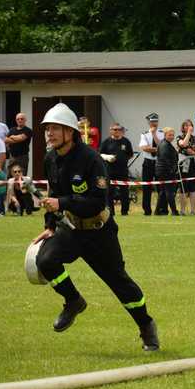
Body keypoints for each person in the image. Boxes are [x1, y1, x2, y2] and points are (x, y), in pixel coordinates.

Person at [32, 103, 158, 351]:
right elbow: (54, 193)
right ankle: (73, 301)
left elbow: (96, 201)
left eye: (56, 128)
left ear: (70, 132)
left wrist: (62, 202)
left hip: (99, 231)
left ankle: (146, 325)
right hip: (70, 228)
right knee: (45, 261)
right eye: (48, 129)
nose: (50, 134)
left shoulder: (92, 159)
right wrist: (50, 225)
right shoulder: (50, 158)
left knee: (120, 284)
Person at [99, 123, 134, 216]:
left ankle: (125, 212)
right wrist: (108, 157)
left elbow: (130, 154)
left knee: (125, 192)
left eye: (118, 129)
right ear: (111, 130)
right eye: (114, 129)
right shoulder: (106, 142)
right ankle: (111, 212)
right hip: (110, 171)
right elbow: (100, 154)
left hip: (123, 171)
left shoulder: (126, 141)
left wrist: (123, 160)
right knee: (109, 192)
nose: (117, 131)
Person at [139, 113, 167, 216]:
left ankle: (161, 210)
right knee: (147, 187)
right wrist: (157, 149)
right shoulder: (144, 134)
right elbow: (144, 148)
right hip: (148, 162)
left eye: (155, 121)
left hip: (159, 163)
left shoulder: (162, 133)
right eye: (152, 121)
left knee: (161, 187)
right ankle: (147, 210)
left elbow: (162, 146)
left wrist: (154, 135)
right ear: (149, 122)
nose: (154, 123)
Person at [176, 120, 195, 216]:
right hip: (183, 165)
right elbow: (183, 144)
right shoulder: (179, 137)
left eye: (190, 125)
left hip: (193, 165)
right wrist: (188, 134)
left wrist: (193, 153)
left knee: (193, 189)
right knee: (183, 189)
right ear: (183, 128)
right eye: (186, 125)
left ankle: (192, 211)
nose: (189, 127)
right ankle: (182, 210)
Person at [155, 127, 180, 216]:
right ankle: (174, 211)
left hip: (162, 171)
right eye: (169, 135)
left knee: (162, 192)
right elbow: (165, 159)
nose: (171, 137)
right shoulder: (165, 145)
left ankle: (157, 211)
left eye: (173, 135)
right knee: (169, 192)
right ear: (165, 135)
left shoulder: (166, 144)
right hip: (165, 171)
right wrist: (172, 170)